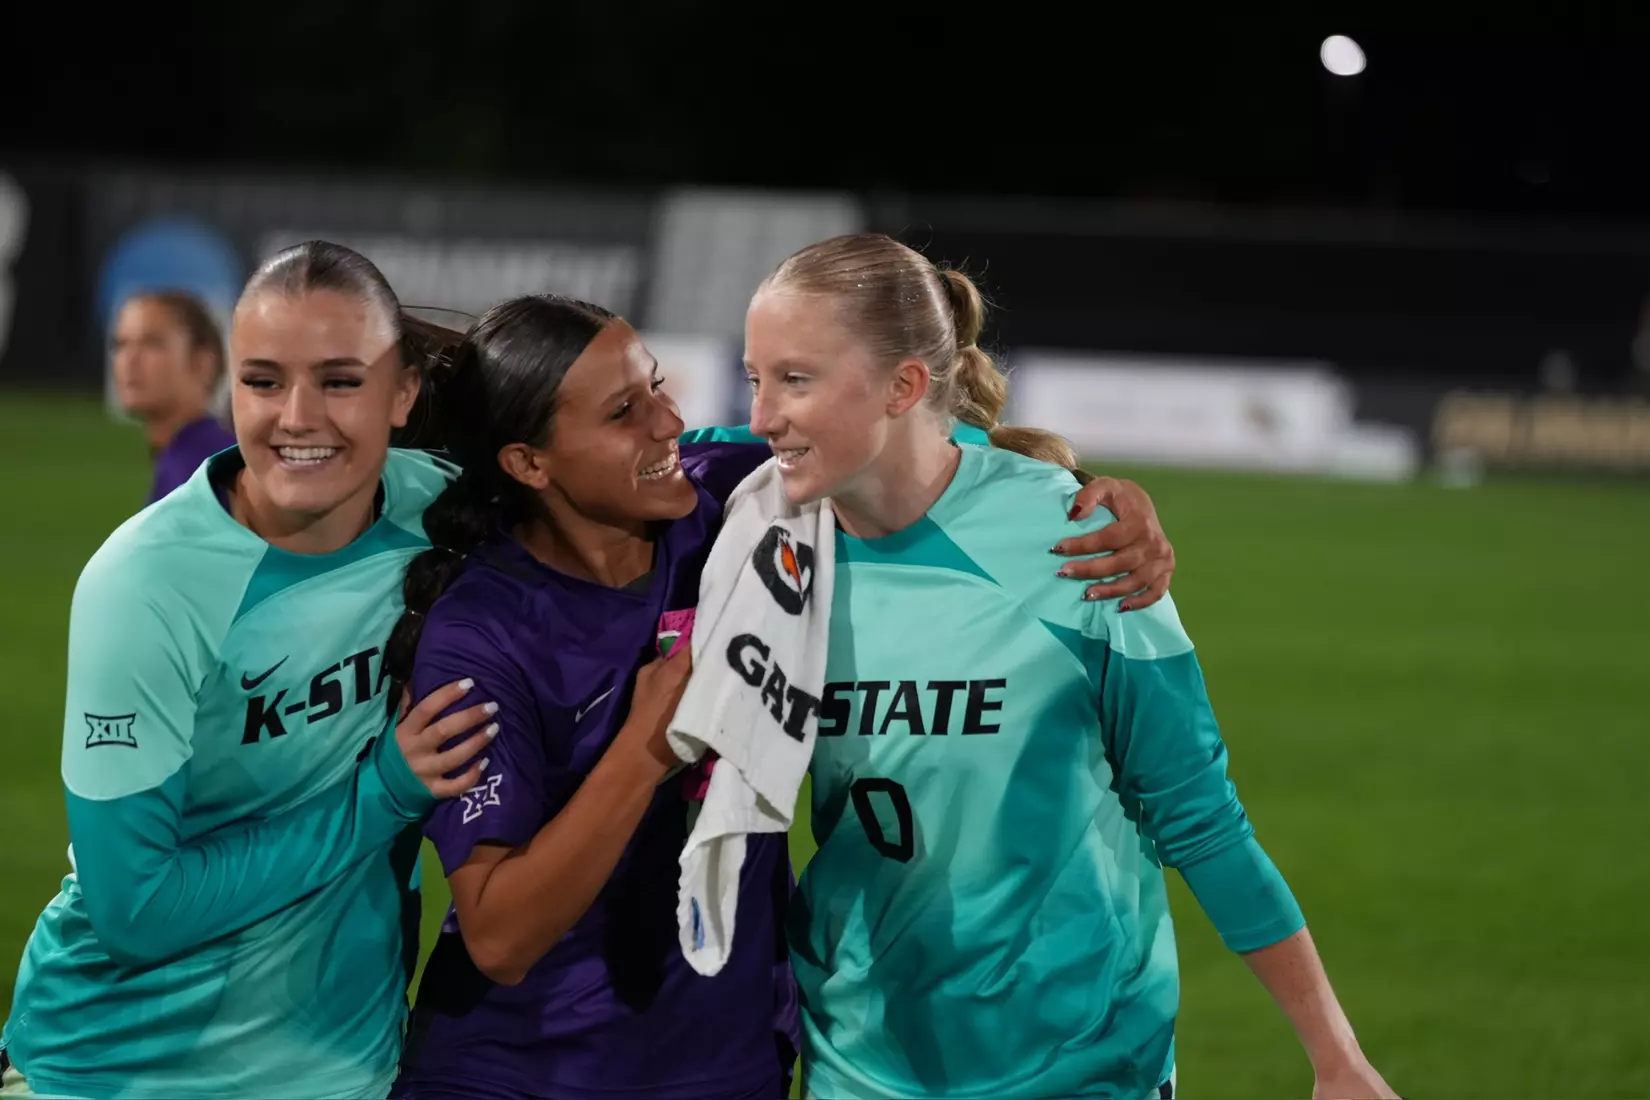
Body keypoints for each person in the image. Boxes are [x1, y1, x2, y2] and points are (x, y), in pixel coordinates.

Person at [382, 293, 1181, 1100]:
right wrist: (646, 747)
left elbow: (905, 448)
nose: (667, 423)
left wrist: (1078, 489)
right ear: (528, 463)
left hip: (733, 1061)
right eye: (625, 411)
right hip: (525, 1071)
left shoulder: (728, 505)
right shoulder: (480, 633)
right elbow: (499, 933)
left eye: (657, 386)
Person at [737, 234, 1399, 1100]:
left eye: (795, 379)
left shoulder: (1082, 545)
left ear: (904, 385)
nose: (760, 416)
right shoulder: (754, 537)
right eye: (754, 378)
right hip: (862, 1066)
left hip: (1085, 1066)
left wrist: (1336, 1058)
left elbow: (1198, 817)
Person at [0, 241, 497, 1100]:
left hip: (343, 1071)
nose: (296, 416)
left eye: (342, 381)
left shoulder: (446, 510)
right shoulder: (146, 585)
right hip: (114, 1071)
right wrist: (381, 794)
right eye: (263, 381)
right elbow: (135, 912)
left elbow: (609, 458)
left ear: (404, 392)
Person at [107, 289, 238, 503]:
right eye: (121, 344)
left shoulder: (197, 470)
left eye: (152, 343)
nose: (130, 359)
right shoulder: (191, 455)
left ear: (203, 362)